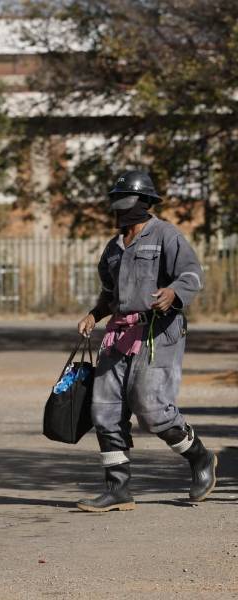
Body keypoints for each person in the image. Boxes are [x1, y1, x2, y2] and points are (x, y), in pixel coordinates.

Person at [75, 170, 216, 512]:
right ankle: (118, 488)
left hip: (159, 331)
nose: (120, 212)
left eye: (127, 205)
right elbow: (111, 294)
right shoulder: (113, 248)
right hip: (119, 333)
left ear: (145, 203)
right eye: (117, 205)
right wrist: (95, 314)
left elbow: (192, 274)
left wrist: (173, 292)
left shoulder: (166, 235)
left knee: (152, 409)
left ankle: (200, 459)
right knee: (103, 408)